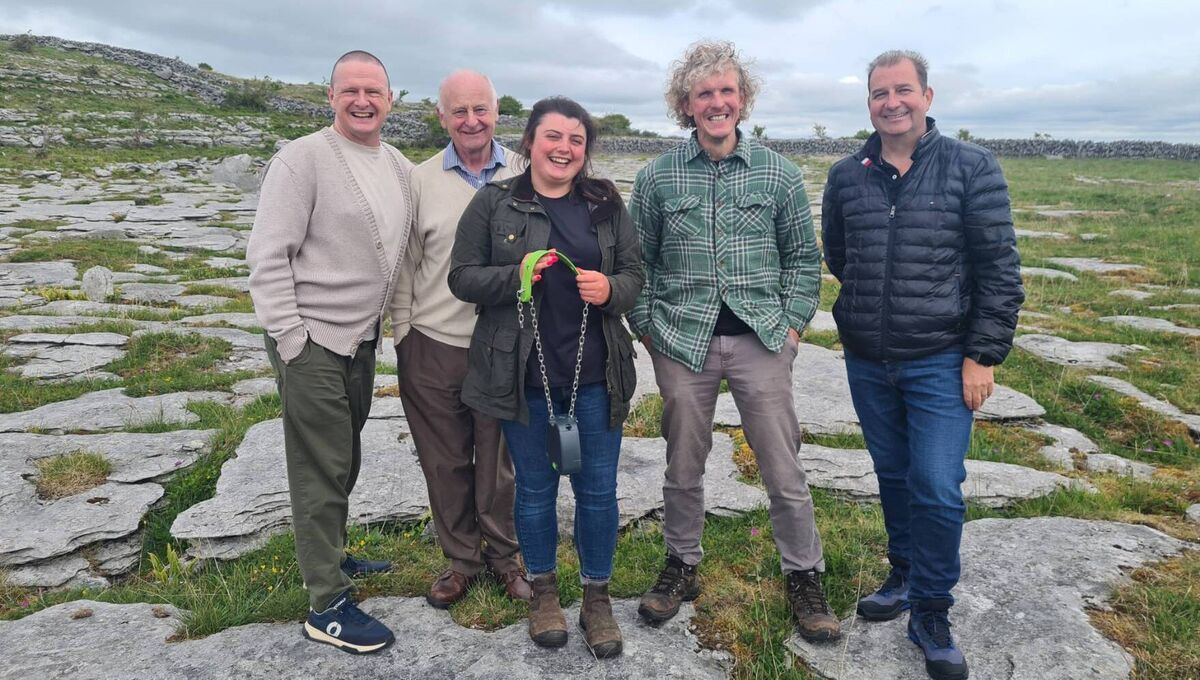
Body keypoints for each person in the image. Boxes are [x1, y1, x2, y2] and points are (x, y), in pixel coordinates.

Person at [626, 39, 840, 643]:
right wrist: (649, 331)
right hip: (681, 344)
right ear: (685, 106)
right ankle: (681, 564)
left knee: (782, 465)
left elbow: (803, 259)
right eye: (703, 95)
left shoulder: (779, 173)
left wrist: (793, 329)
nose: (716, 103)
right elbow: (637, 263)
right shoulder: (657, 177)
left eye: (726, 92)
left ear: (742, 101)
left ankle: (805, 574)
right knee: (683, 462)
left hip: (763, 341)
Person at [822, 49, 1023, 680]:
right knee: (893, 474)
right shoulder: (847, 174)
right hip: (868, 360)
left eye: (903, 90)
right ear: (870, 103)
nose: (892, 102)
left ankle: (932, 610)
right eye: (879, 93)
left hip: (940, 361)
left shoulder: (971, 167)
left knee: (937, 486)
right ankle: (904, 574)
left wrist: (981, 355)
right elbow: (839, 254)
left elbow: (999, 271)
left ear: (928, 98)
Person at [448, 96, 644, 657]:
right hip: (523, 375)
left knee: (598, 491)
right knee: (534, 490)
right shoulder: (494, 203)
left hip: (596, 373)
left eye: (576, 140)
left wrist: (611, 291)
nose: (564, 148)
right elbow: (461, 278)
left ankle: (597, 599)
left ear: (586, 151)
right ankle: (544, 593)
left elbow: (634, 273)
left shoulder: (606, 204)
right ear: (529, 143)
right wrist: (517, 276)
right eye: (553, 137)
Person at [247, 50, 413, 655]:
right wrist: (292, 340)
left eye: (374, 90)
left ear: (391, 98)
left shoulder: (396, 165)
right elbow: (267, 257)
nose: (363, 101)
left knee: (343, 457)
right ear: (331, 95)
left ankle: (335, 555)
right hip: (312, 341)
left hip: (360, 341)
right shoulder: (303, 159)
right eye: (351, 90)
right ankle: (327, 604)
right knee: (319, 467)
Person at [389, 69, 530, 609]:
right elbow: (404, 266)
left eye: (481, 109)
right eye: (459, 111)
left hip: (504, 344)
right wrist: (404, 337)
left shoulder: (525, 171)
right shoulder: (418, 181)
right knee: (444, 461)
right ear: (441, 116)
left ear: (497, 112)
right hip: (433, 342)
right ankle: (461, 560)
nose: (471, 121)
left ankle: (505, 557)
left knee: (499, 462)